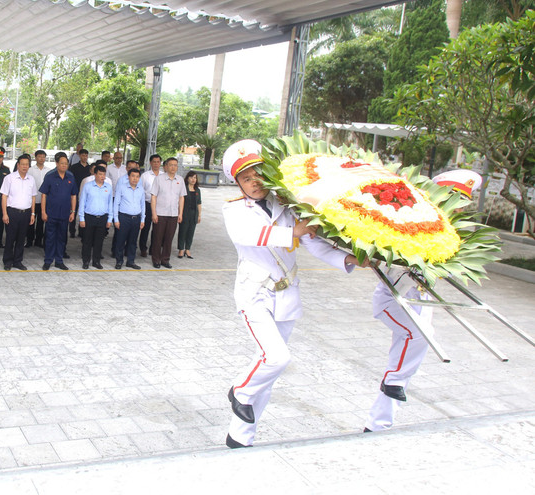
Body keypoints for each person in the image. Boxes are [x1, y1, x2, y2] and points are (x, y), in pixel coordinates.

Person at [220, 139, 368, 449]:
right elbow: (249, 236)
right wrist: (294, 232)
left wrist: (348, 258)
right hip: (255, 295)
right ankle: (239, 392)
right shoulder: (233, 210)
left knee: (268, 374)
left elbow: (312, 242)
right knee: (276, 358)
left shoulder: (286, 204)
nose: (255, 181)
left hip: (286, 296)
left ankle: (239, 436)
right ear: (237, 183)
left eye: (259, 173)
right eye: (246, 178)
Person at [364, 169, 483, 433]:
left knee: (406, 356)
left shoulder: (453, 232)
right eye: (451, 197)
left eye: (462, 201)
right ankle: (392, 383)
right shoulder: (409, 218)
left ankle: (378, 425)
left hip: (421, 298)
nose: (457, 206)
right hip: (393, 296)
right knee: (420, 337)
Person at [40, 152, 77, 270]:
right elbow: (44, 195)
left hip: (65, 214)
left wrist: (73, 212)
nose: (64, 165)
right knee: (50, 237)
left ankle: (59, 260)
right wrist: (43, 212)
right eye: (62, 163)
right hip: (51, 213)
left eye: (66, 164)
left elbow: (73, 195)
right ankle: (48, 260)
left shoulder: (70, 176)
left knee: (62, 238)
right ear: (56, 163)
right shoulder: (50, 176)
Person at [1, 153, 37, 271]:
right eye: (22, 164)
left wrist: (32, 213)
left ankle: (18, 261)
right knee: (10, 238)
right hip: (12, 212)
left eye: (27, 165)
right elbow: (4, 196)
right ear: (18, 165)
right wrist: (5, 213)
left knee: (21, 238)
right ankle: (7, 261)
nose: (24, 167)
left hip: (26, 213)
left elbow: (33, 197)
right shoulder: (9, 178)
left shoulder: (31, 179)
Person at [150, 157, 186, 269]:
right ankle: (156, 260)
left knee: (169, 238)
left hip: (173, 214)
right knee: (157, 238)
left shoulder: (180, 180)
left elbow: (181, 198)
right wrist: (154, 213)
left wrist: (180, 214)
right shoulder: (159, 179)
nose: (173, 167)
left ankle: (165, 259)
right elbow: (153, 196)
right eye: (171, 165)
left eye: (175, 165)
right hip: (160, 213)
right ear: (166, 166)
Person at [78, 164, 112, 269]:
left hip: (102, 218)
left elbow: (110, 204)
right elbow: (82, 202)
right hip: (89, 217)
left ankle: (96, 261)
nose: (102, 176)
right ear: (95, 174)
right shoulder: (88, 186)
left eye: (104, 174)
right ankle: (86, 260)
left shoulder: (108, 187)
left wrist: (110, 219)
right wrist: (81, 218)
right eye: (100, 174)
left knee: (99, 241)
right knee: (87, 240)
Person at [112, 168, 145, 270]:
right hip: (124, 217)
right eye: (133, 176)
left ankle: (130, 261)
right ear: (129, 177)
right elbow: (116, 203)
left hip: (136, 218)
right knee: (120, 241)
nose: (135, 179)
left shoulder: (141, 189)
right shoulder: (122, 187)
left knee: (133, 242)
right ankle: (119, 261)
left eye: (137, 176)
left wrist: (142, 219)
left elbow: (142, 205)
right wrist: (116, 219)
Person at [26, 149, 52, 248]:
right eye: (39, 156)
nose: (41, 158)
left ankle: (38, 240)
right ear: (35, 158)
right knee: (31, 221)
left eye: (43, 156)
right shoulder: (30, 170)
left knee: (41, 222)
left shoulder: (49, 171)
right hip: (32, 200)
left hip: (44, 201)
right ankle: (29, 240)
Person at [139, 154, 162, 257]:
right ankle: (143, 248)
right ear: (150, 163)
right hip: (147, 205)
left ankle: (154, 248)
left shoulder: (163, 176)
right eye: (154, 162)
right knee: (145, 228)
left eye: (158, 162)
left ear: (160, 163)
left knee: (157, 230)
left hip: (159, 206)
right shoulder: (145, 176)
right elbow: (141, 191)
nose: (156, 164)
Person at [177, 171, 202, 259]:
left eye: (195, 178)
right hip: (185, 213)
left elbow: (199, 203)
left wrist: (199, 215)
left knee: (191, 232)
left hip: (194, 214)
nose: (193, 179)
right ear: (187, 178)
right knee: (183, 231)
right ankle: (181, 249)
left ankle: (187, 249)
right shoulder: (183, 188)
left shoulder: (197, 190)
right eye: (191, 177)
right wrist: (180, 213)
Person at [69, 148, 90, 238]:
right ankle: (72, 231)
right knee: (74, 211)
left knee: (84, 213)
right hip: (76, 192)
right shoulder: (74, 167)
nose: (84, 157)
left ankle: (82, 231)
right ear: (79, 156)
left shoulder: (90, 168)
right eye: (83, 155)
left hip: (87, 194)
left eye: (86, 155)